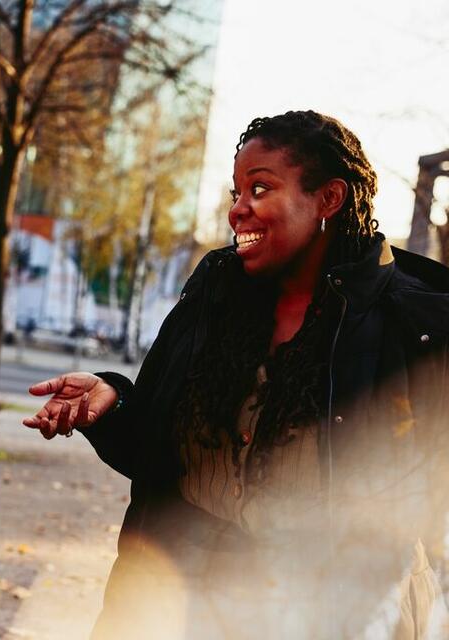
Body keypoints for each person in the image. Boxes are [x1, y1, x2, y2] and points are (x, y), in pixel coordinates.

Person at [25, 111, 449, 639]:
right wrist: (112, 402)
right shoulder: (213, 294)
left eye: (260, 188)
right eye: (236, 191)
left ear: (329, 199)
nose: (237, 210)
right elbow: (155, 456)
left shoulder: (414, 324)